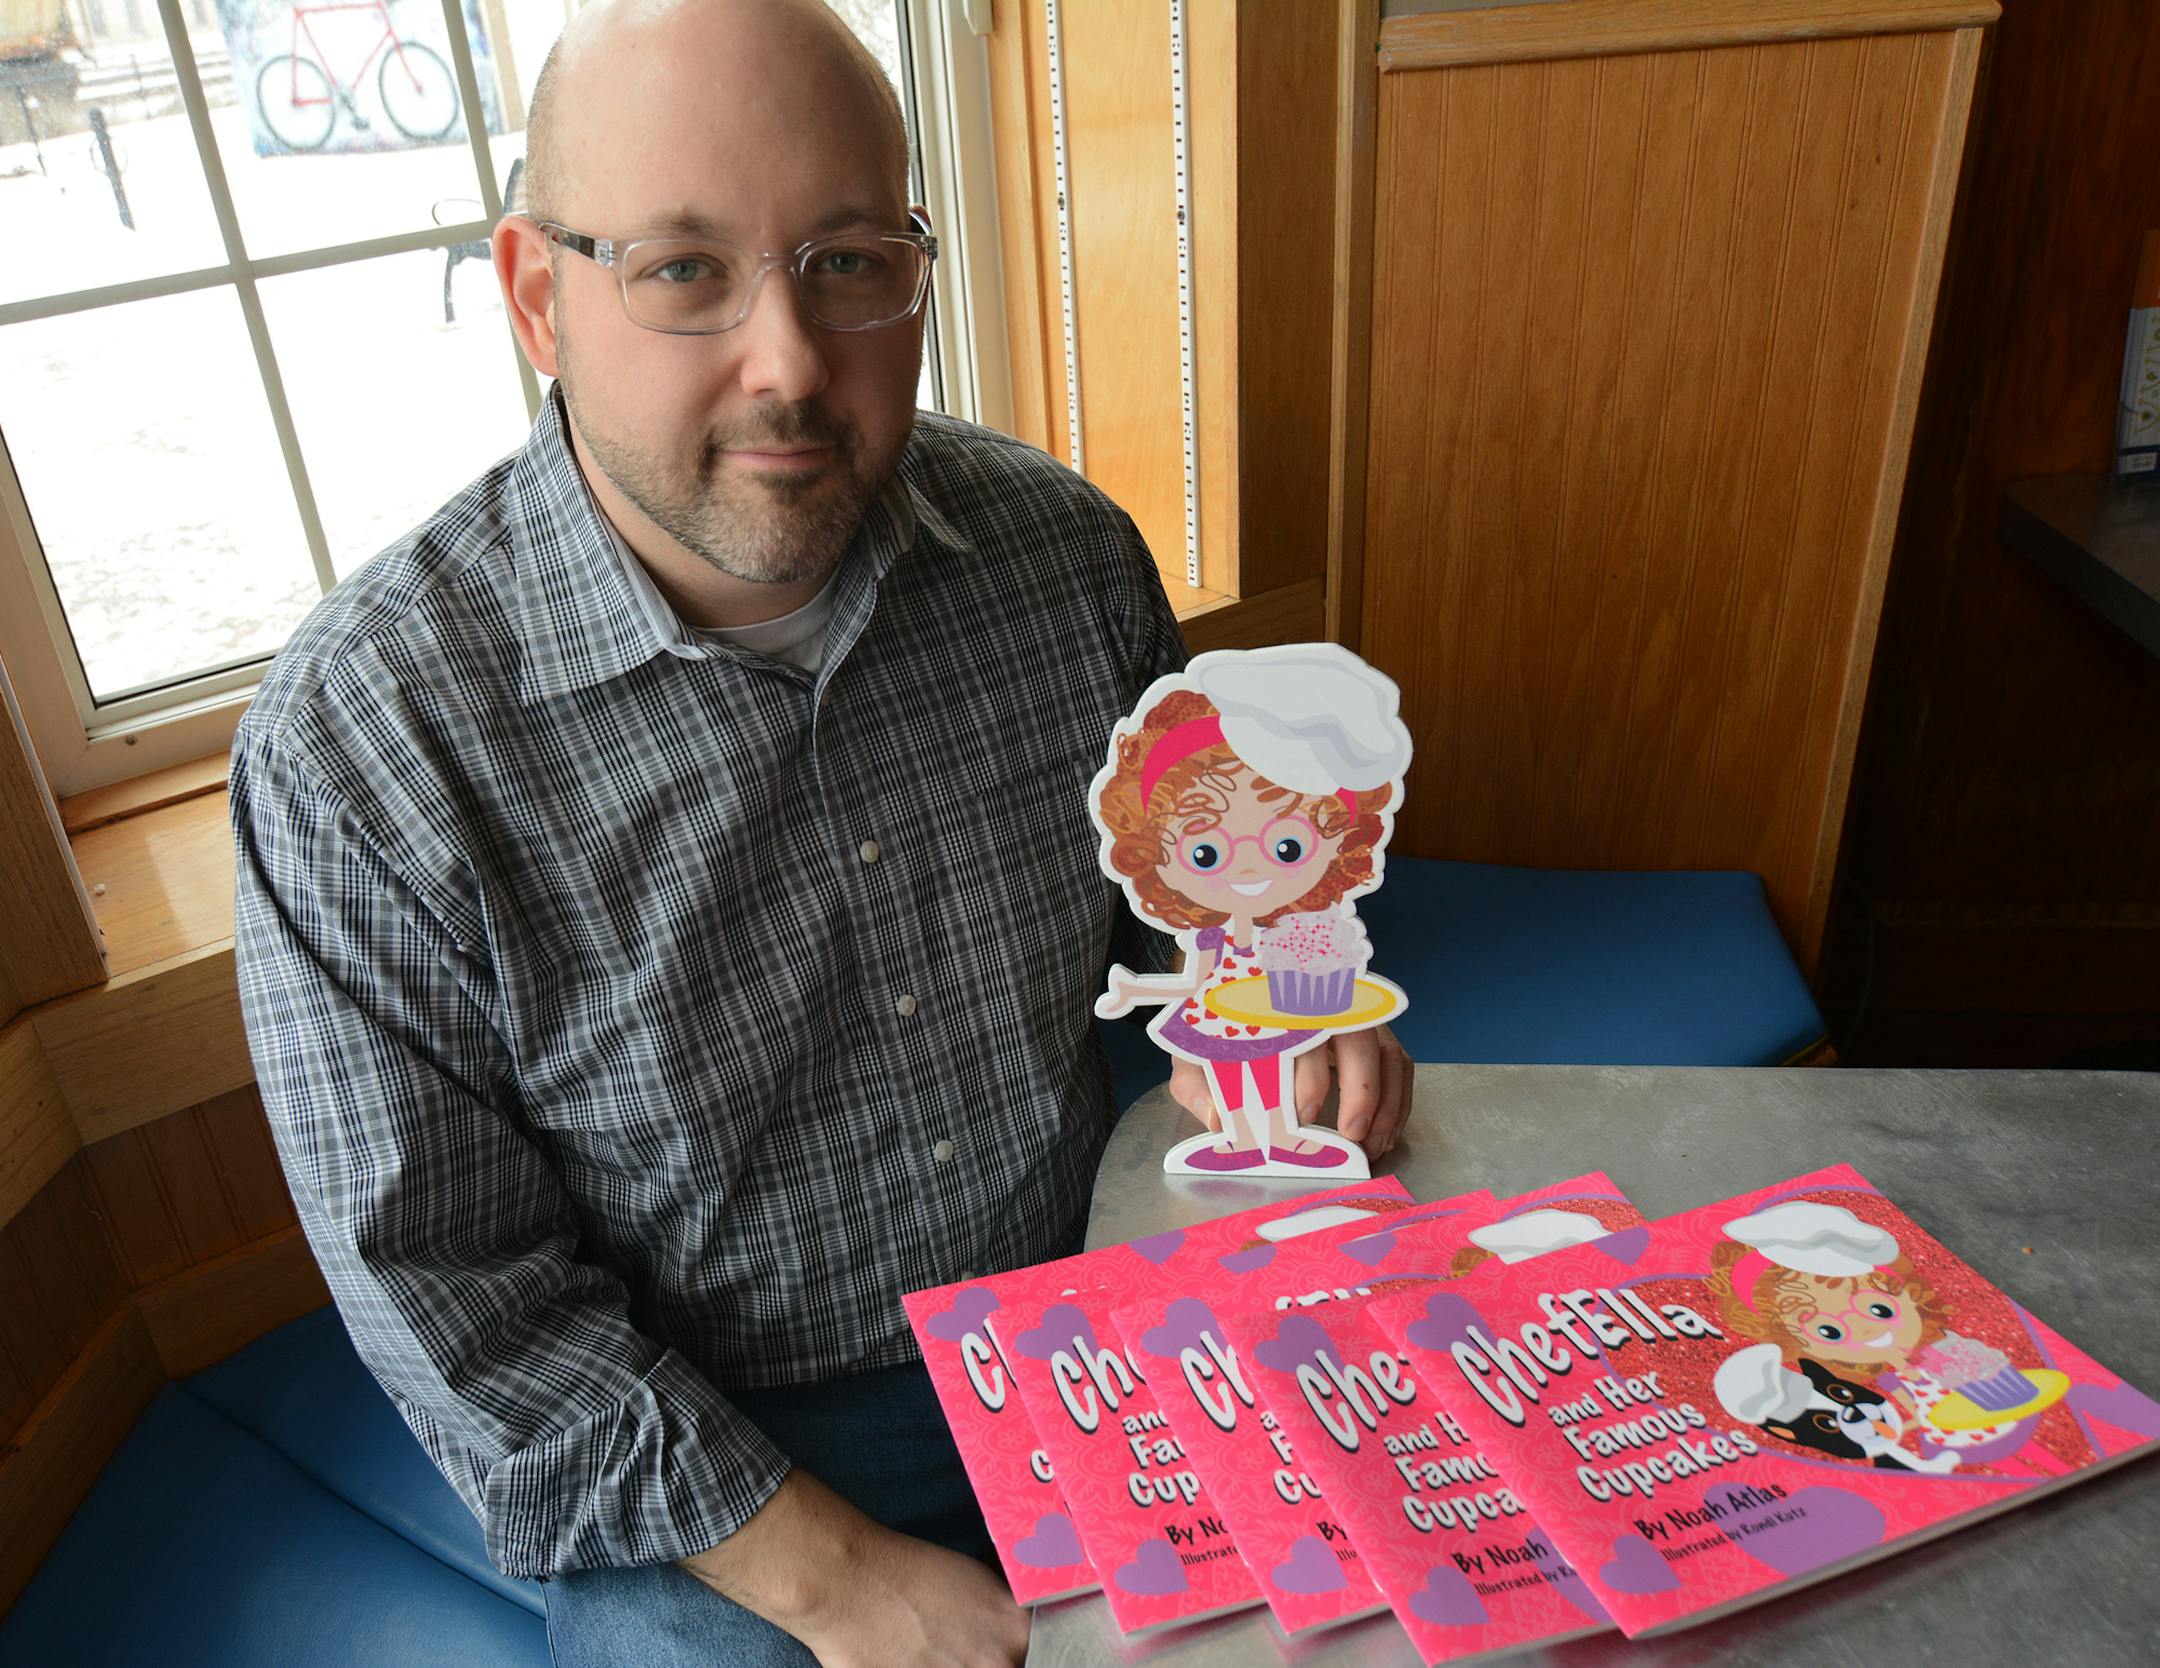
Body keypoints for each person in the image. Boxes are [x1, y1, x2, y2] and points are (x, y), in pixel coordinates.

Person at [228, 2, 1411, 1664]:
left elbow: (1195, 912)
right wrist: (837, 1583)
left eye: (850, 260)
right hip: (714, 1452)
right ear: (538, 295)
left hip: (1102, 1303)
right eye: (683, 269)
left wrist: (1264, 1017)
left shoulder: (1064, 563)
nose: (787, 359)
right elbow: (458, 1299)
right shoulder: (365, 747)